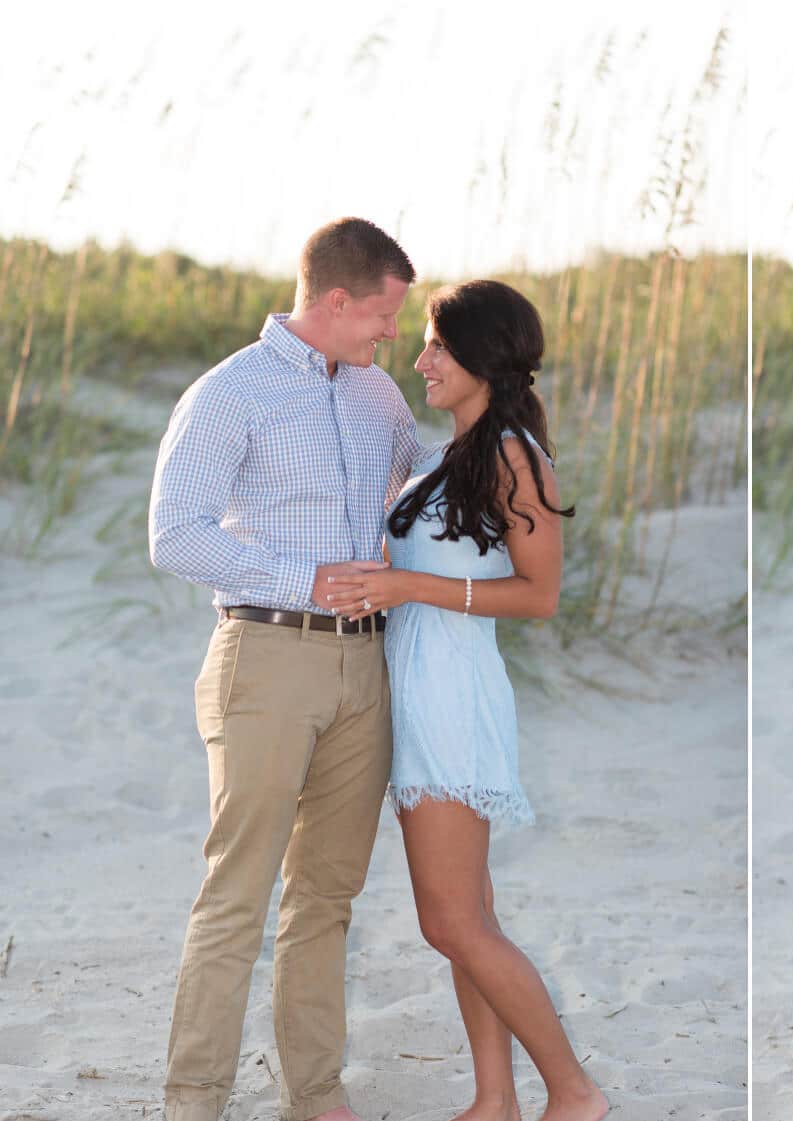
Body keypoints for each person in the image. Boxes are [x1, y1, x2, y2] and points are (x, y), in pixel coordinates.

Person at [148, 217, 419, 1121]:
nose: (393, 334)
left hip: (363, 673)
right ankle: (195, 1100)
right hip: (264, 657)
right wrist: (302, 579)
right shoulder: (233, 391)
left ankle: (316, 1094)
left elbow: (419, 497)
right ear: (336, 300)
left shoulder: (381, 397)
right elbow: (174, 534)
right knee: (238, 892)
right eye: (384, 315)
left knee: (327, 895)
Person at [323, 280, 608, 1121]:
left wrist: (405, 581)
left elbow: (539, 594)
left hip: (453, 695)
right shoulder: (459, 451)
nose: (421, 360)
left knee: (450, 922)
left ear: (484, 355)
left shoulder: (515, 453)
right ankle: (495, 1100)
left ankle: (575, 1091)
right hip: (417, 687)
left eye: (439, 346)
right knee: (470, 915)